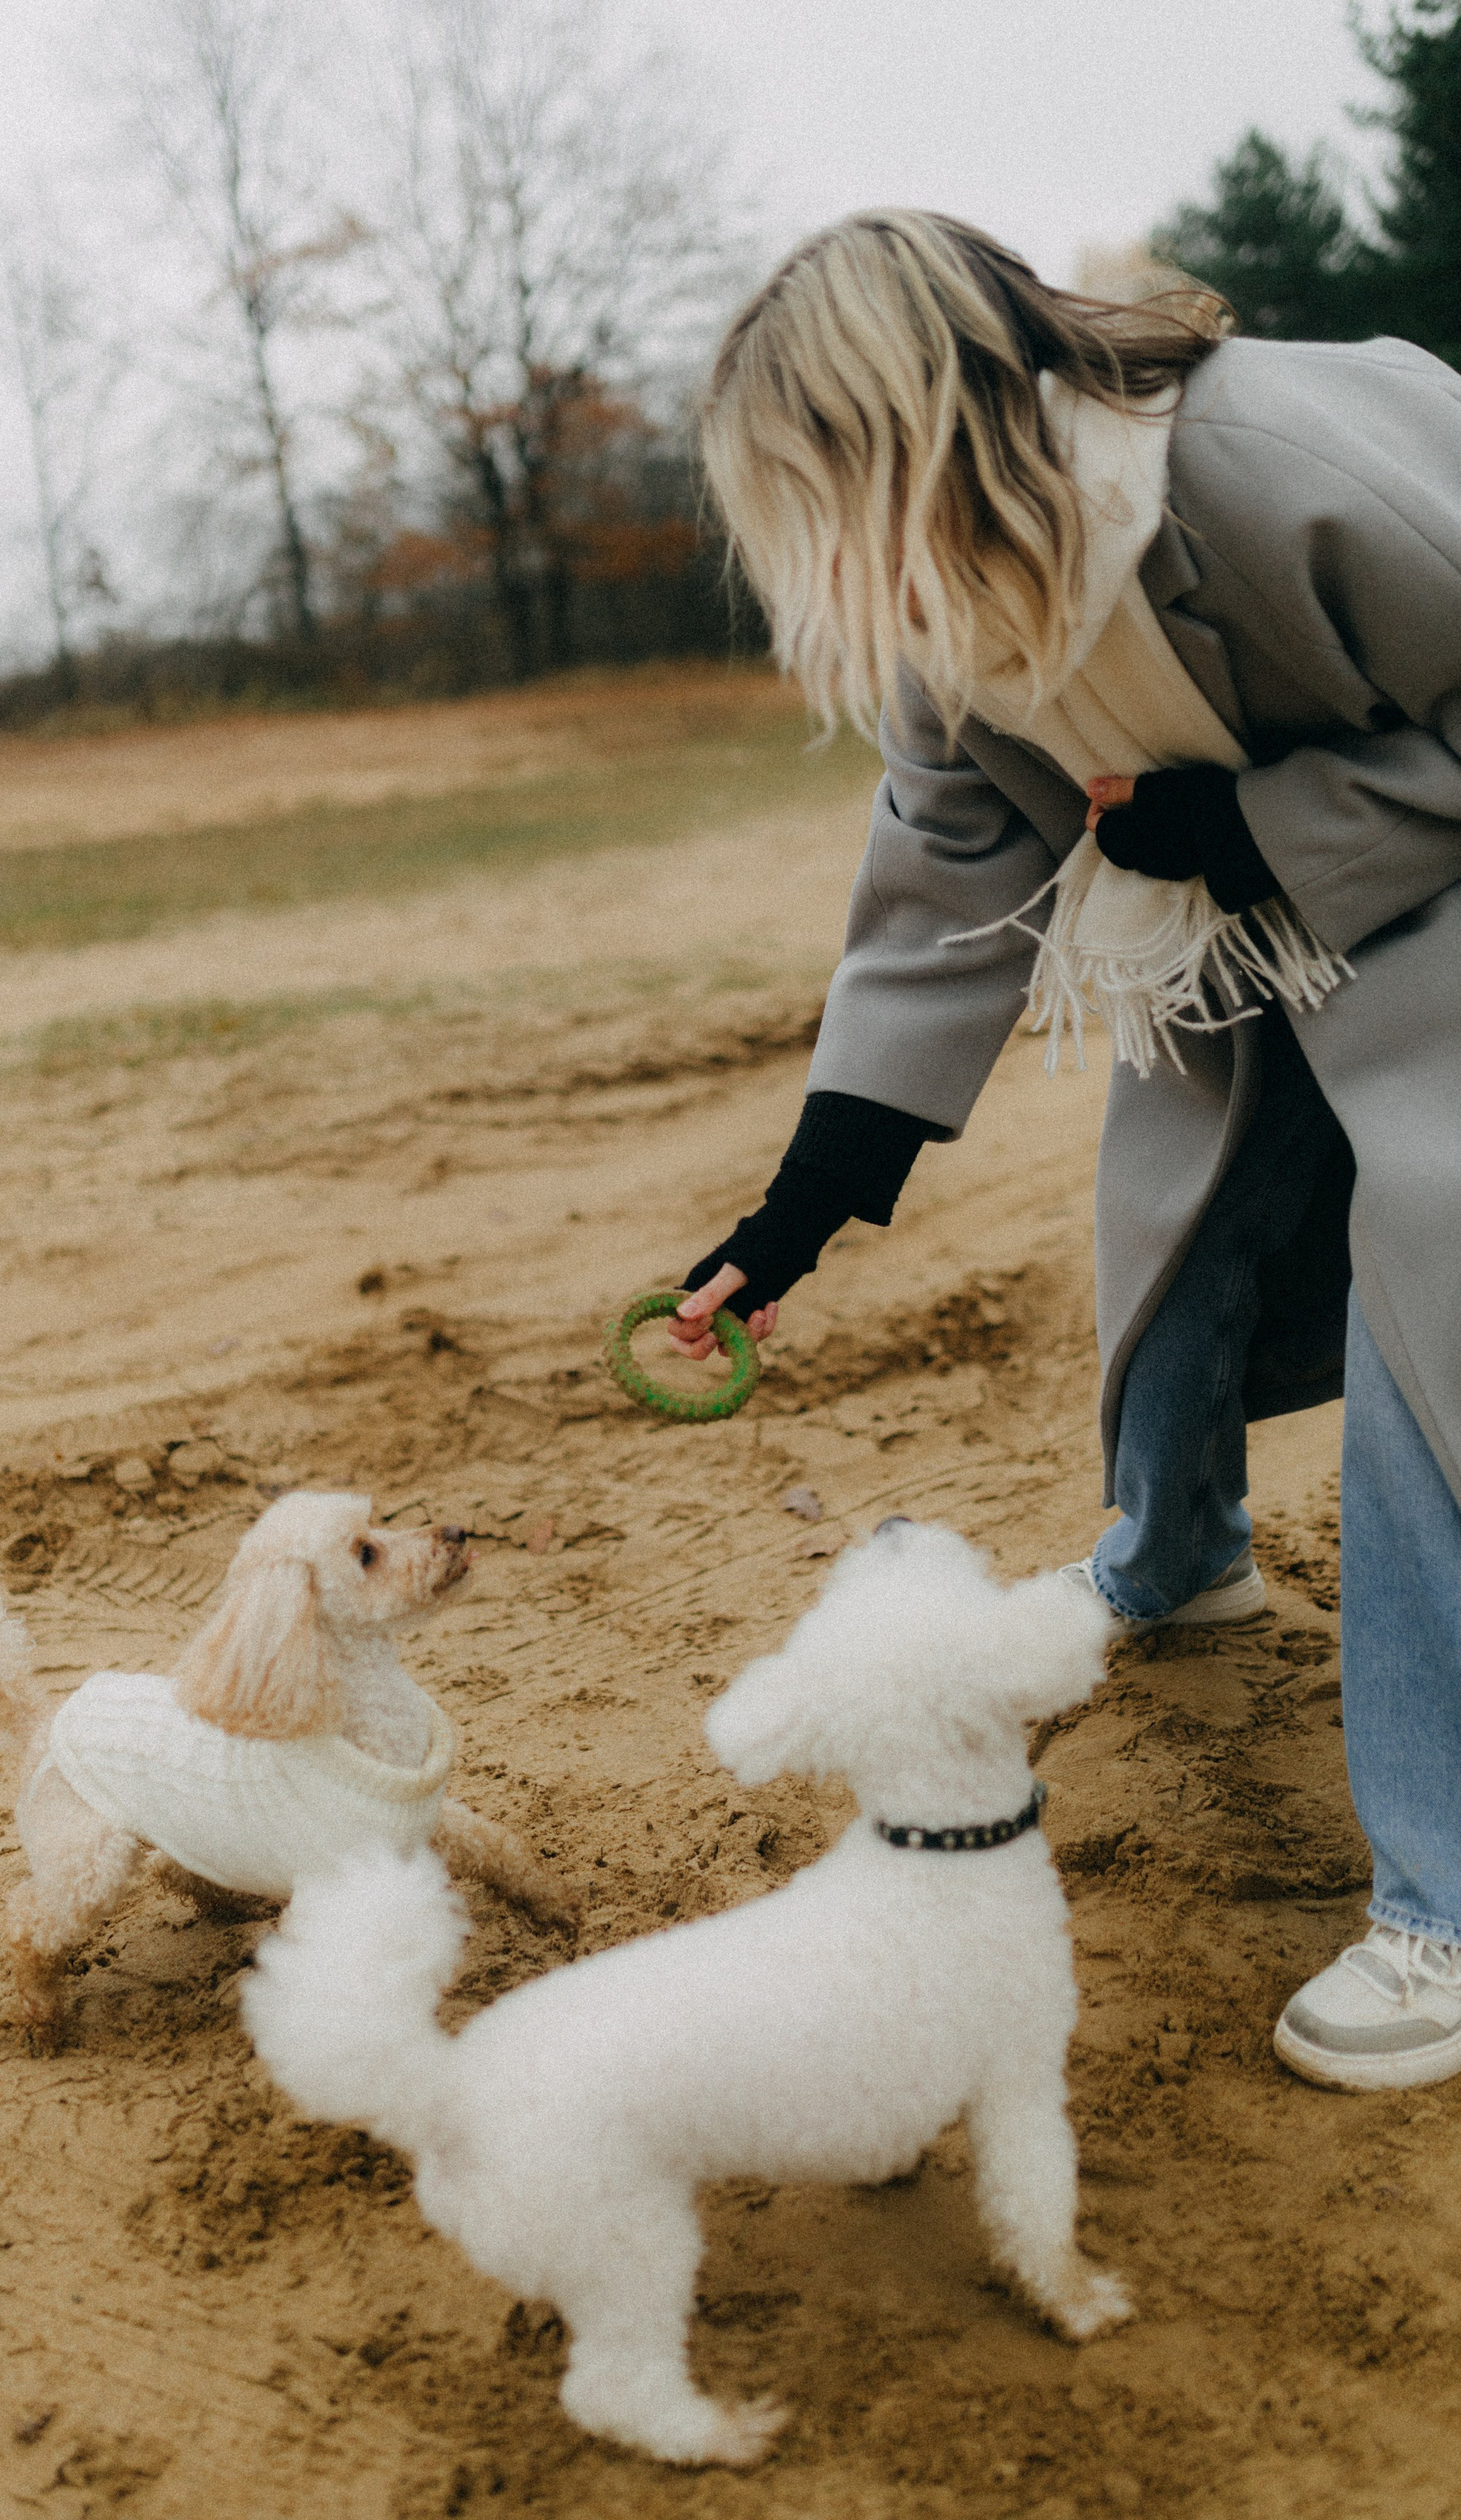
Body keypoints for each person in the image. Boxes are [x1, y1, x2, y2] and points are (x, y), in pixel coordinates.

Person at [667, 210, 1461, 2092]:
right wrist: (797, 1214)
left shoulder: (1289, 470)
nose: (818, 555)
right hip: (1261, 930)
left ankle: (1445, 1903)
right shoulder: (956, 599)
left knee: (1423, 1357)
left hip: (1423, 909)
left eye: (815, 492)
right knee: (1183, 1222)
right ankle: (1178, 1552)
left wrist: (1260, 823)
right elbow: (945, 877)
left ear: (915, 425)